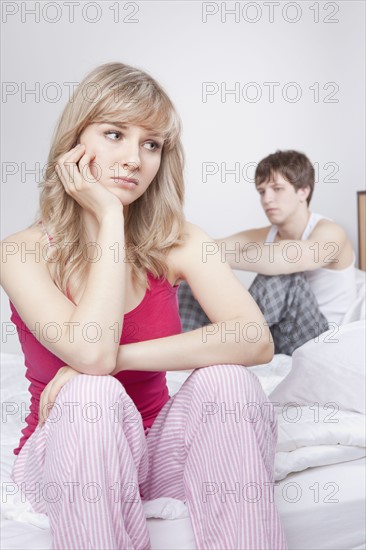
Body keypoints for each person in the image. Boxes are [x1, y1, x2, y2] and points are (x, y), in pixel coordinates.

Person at [0, 62, 288, 550]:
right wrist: (111, 216)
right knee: (93, 396)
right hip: (64, 455)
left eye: (150, 144)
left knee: (228, 378)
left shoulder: (176, 240)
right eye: (114, 134)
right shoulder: (21, 251)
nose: (134, 158)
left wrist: (124, 358)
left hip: (155, 450)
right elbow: (92, 356)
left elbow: (254, 340)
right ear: (75, 140)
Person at [179, 150, 357, 355]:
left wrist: (207, 257)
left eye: (277, 188)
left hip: (322, 340)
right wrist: (179, 255)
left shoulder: (331, 233)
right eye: (262, 191)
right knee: (189, 276)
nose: (267, 199)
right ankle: (184, 353)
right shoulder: (267, 233)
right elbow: (207, 247)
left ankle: (228, 345)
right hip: (277, 335)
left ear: (303, 191)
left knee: (283, 276)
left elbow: (285, 258)